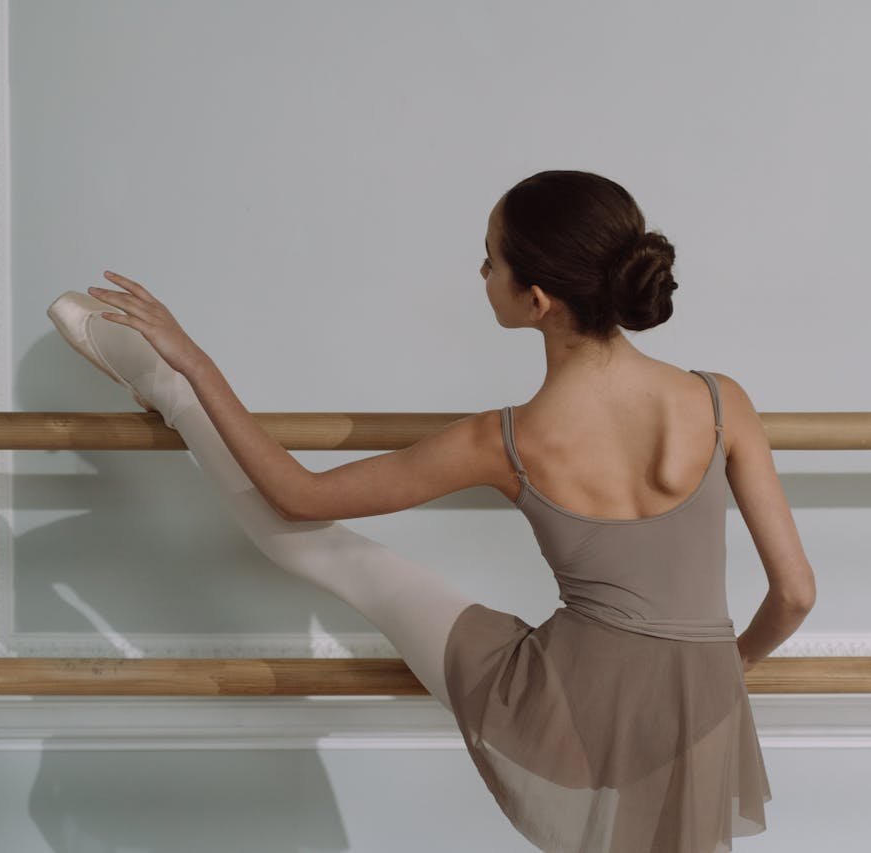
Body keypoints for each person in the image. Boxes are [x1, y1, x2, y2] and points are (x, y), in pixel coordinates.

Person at [48, 169, 816, 853]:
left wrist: (195, 360)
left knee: (338, 554)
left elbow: (297, 495)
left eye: (491, 258)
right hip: (700, 712)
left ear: (538, 300)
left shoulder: (507, 439)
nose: (481, 272)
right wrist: (722, 667)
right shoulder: (724, 401)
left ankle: (165, 384)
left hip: (561, 711)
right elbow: (795, 593)